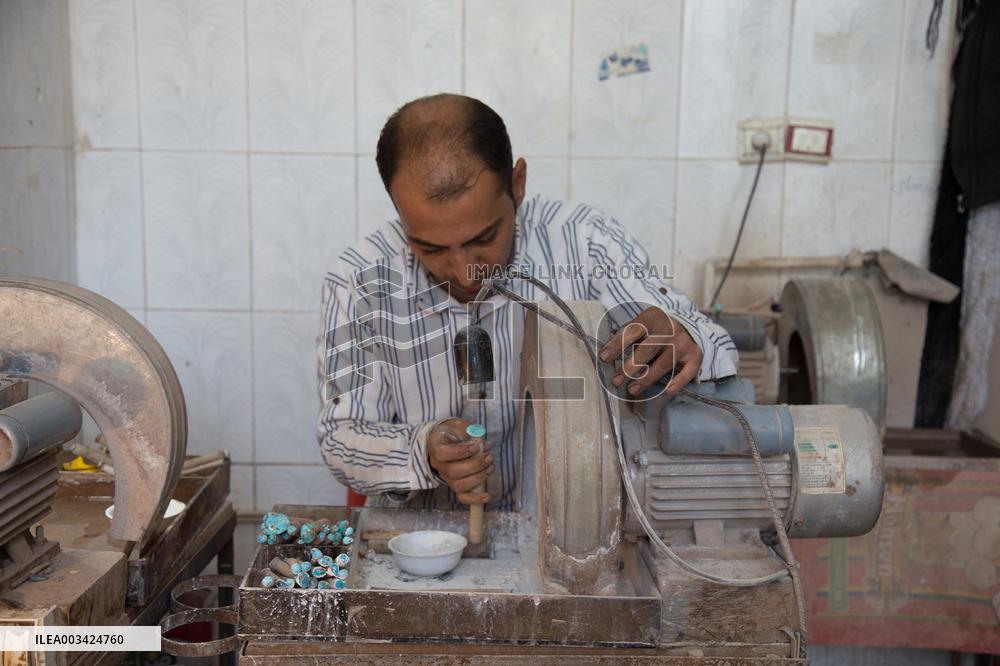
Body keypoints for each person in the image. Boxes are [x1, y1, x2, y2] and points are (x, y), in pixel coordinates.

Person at [317, 94, 737, 511]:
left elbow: (715, 346)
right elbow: (341, 437)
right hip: (418, 545)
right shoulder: (359, 281)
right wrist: (422, 448)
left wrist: (682, 337)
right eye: (430, 248)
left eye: (484, 239)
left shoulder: (583, 243)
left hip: (566, 535)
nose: (465, 273)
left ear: (517, 184)